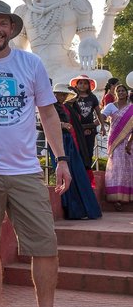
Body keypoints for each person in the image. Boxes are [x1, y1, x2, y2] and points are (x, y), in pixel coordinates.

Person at [0, 0, 77, 307]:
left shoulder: (30, 63)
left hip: (26, 171)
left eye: (3, 24)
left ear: (13, 29)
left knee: (45, 246)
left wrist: (61, 159)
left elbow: (47, 113)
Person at [51, 83, 102, 220]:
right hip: (59, 142)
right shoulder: (49, 107)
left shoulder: (67, 106)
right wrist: (62, 125)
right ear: (54, 94)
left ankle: (85, 209)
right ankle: (74, 210)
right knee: (68, 175)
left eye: (64, 95)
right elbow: (44, 122)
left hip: (71, 142)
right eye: (60, 94)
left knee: (77, 174)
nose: (62, 97)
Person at [102, 84, 133, 211]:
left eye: (123, 91)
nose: (120, 93)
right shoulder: (110, 106)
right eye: (118, 91)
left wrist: (130, 143)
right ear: (115, 93)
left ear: (127, 93)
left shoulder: (131, 108)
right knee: (116, 169)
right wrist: (99, 126)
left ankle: (127, 196)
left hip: (128, 142)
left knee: (128, 168)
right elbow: (101, 117)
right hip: (115, 141)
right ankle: (117, 198)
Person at [69, 74, 106, 173]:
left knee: (89, 151)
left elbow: (98, 112)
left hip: (90, 128)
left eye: (85, 83)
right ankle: (77, 173)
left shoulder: (92, 97)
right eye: (80, 83)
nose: (83, 85)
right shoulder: (72, 97)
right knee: (77, 150)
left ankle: (87, 174)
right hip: (76, 128)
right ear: (76, 85)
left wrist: (102, 126)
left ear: (89, 85)